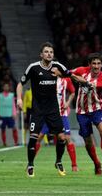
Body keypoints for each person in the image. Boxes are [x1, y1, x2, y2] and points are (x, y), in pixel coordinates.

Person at [16, 42, 72, 177]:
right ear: (41, 54)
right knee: (34, 137)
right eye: (46, 52)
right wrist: (19, 98)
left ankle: (58, 161)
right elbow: (20, 83)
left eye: (51, 52)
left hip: (53, 109)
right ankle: (30, 164)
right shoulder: (33, 68)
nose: (49, 54)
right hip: (37, 110)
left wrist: (61, 74)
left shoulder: (57, 66)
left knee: (62, 137)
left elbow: (71, 74)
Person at [71, 53, 102, 175]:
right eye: (94, 63)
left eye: (99, 63)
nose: (96, 66)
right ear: (89, 65)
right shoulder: (81, 71)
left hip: (97, 109)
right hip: (82, 111)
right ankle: (97, 163)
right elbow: (68, 73)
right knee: (88, 141)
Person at [35, 77, 78, 171]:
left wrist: (67, 103)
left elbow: (73, 92)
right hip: (48, 114)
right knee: (39, 137)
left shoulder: (66, 80)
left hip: (62, 114)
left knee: (66, 138)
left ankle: (74, 165)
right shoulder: (45, 79)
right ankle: (30, 164)